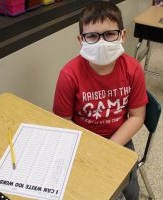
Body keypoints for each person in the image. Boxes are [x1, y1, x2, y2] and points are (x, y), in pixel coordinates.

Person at [53, 1, 148, 199]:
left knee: (130, 191)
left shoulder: (133, 69)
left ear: (122, 35)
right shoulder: (69, 74)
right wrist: (91, 149)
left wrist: (109, 147)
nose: (101, 42)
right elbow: (63, 121)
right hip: (82, 140)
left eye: (109, 34)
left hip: (119, 138)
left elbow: (137, 116)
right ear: (81, 40)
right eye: (93, 36)